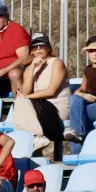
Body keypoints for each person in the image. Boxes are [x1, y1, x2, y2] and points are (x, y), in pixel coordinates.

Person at [8, 33, 69, 161]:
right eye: (35, 47)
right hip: (39, 109)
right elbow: (25, 91)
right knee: (20, 103)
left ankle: (35, 139)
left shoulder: (57, 63)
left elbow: (51, 91)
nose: (39, 49)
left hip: (56, 108)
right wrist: (31, 69)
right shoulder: (31, 68)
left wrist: (29, 96)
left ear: (48, 48)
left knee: (22, 102)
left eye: (42, 45)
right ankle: (34, 148)